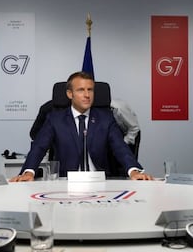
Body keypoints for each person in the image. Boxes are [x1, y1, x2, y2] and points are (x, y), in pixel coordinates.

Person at [11, 71, 153, 182]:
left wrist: (134, 170)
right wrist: (28, 171)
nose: (87, 95)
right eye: (81, 90)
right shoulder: (55, 119)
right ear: (69, 94)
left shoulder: (105, 118)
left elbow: (120, 147)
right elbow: (39, 147)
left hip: (101, 182)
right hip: (65, 182)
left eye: (90, 90)